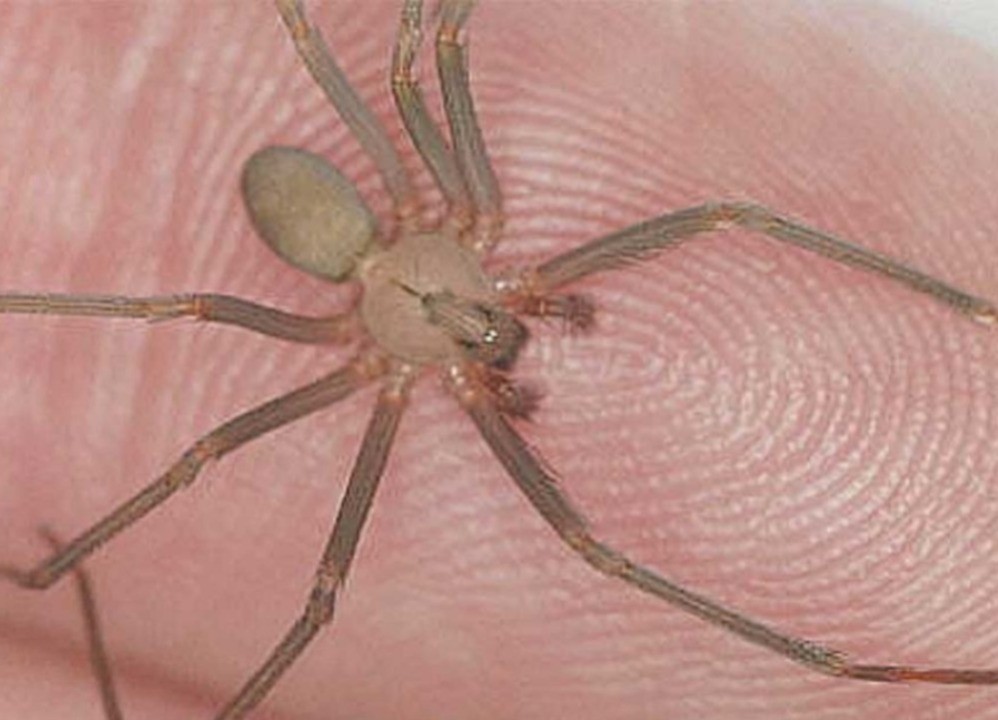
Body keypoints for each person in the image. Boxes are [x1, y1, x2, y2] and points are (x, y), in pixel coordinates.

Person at [2, 2, 997, 719]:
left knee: (714, 212)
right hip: (362, 260)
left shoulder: (456, 252)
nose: (487, 335)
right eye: (481, 331)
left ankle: (971, 308)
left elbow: (435, 40)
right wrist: (849, 666)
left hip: (385, 244)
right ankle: (845, 671)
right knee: (259, 498)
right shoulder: (401, 324)